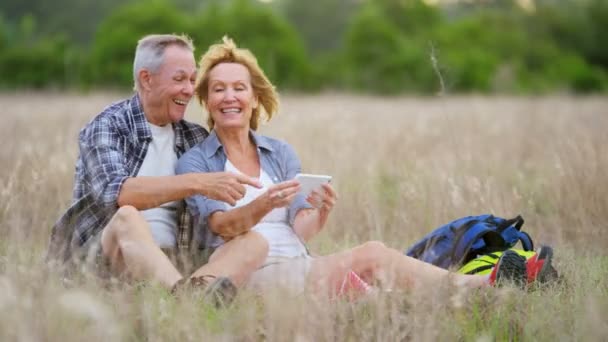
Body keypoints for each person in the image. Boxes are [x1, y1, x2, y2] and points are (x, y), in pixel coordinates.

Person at [176, 37, 542, 299]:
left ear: (254, 97)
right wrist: (263, 204)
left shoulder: (278, 152)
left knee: (374, 252)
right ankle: (486, 288)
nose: (229, 97)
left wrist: (320, 212)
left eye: (238, 88)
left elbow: (298, 231)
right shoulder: (197, 162)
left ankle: (490, 285)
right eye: (218, 89)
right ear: (206, 100)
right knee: (360, 277)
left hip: (299, 266)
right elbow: (220, 228)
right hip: (245, 277)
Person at [46, 34, 269, 304]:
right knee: (128, 215)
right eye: (179, 79)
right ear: (146, 79)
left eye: (191, 79)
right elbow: (118, 193)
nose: (189, 90)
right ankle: (185, 297)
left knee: (255, 243)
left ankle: (193, 294)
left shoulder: (194, 137)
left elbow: (218, 216)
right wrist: (196, 182)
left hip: (176, 260)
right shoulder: (107, 127)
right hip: (108, 261)